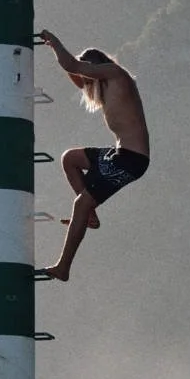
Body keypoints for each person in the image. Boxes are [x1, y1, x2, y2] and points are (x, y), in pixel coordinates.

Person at [35, 32, 150, 281]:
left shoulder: (116, 74)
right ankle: (90, 214)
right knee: (70, 159)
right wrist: (70, 64)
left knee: (81, 203)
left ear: (97, 65)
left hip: (132, 159)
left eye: (88, 69)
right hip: (118, 154)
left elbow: (73, 66)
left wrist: (53, 42)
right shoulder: (105, 84)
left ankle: (63, 266)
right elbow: (77, 74)